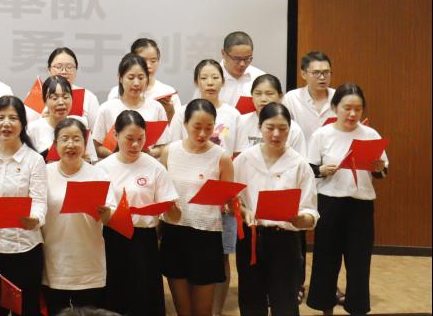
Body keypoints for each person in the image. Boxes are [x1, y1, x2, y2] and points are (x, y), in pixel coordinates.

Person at [306, 83, 388, 316]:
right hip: (329, 204)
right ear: (335, 107)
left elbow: (382, 171)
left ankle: (357, 309)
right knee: (326, 261)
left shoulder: (370, 134)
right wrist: (322, 169)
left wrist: (379, 168)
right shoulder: (322, 135)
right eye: (347, 108)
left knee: (359, 263)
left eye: (358, 109)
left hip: (360, 206)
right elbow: (309, 169)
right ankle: (325, 309)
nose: (352, 114)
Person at [233, 102, 319, 316]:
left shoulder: (299, 164)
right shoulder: (244, 159)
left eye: (283, 129)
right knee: (251, 300)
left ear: (290, 130)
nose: (276, 134)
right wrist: (244, 211)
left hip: (285, 240)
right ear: (260, 127)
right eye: (270, 127)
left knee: (285, 302)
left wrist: (302, 219)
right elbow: (233, 200)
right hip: (251, 238)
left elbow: (311, 211)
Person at [94, 111, 180, 316]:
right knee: (115, 296)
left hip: (144, 240)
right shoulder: (102, 168)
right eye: (129, 139)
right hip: (112, 239)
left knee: (144, 296)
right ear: (116, 135)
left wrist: (171, 208)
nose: (135, 145)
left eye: (140, 139)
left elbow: (174, 216)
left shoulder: (155, 167)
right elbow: (98, 212)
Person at [159, 99, 234, 316]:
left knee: (202, 310)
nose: (202, 134)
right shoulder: (170, 151)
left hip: (206, 235)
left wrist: (231, 202)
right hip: (174, 232)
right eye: (197, 127)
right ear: (185, 124)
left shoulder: (221, 157)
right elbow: (161, 190)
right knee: (183, 309)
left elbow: (228, 200)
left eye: (209, 128)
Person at [0, 95, 48, 316]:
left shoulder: (34, 160)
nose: (6, 123)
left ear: (23, 124)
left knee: (27, 310)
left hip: (25, 249)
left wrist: (35, 219)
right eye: (0, 118)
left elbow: (39, 200)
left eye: (13, 118)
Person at [42, 118, 114, 315]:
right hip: (55, 262)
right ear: (55, 144)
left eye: (76, 139)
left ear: (85, 142)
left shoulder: (99, 174)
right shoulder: (44, 173)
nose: (70, 144)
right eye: (64, 139)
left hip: (89, 262)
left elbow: (111, 217)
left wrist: (107, 212)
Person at [92, 54, 168, 159]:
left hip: (145, 165)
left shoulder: (157, 108)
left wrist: (150, 153)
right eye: (131, 78)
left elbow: (162, 146)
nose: (136, 83)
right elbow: (96, 147)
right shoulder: (106, 109)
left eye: (141, 78)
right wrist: (119, 156)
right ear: (120, 78)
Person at [104, 38, 182, 121]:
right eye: (143, 60)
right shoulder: (115, 93)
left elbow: (178, 126)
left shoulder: (167, 92)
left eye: (153, 61)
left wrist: (170, 111)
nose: (148, 65)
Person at [234, 74, 306, 157]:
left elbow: (299, 161)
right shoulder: (241, 122)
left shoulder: (293, 128)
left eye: (269, 94)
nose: (263, 99)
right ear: (252, 96)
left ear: (280, 96)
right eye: (258, 93)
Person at [283, 51, 336, 145]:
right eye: (316, 73)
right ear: (303, 74)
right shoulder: (291, 98)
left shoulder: (339, 97)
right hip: (301, 153)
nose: (322, 77)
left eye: (326, 72)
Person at [42, 47, 100, 130]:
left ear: (76, 70)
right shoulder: (36, 95)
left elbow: (96, 133)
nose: (64, 71)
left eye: (69, 67)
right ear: (49, 69)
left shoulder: (88, 97)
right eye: (58, 67)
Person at [210, 31, 266, 107]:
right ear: (223, 53)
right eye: (237, 59)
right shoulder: (209, 79)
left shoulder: (260, 78)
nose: (242, 64)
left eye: (247, 58)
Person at [26, 75, 75, 159]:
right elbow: (27, 162)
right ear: (45, 101)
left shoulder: (79, 125)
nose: (61, 102)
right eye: (54, 98)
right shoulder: (32, 129)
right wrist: (51, 150)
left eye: (65, 97)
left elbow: (91, 160)